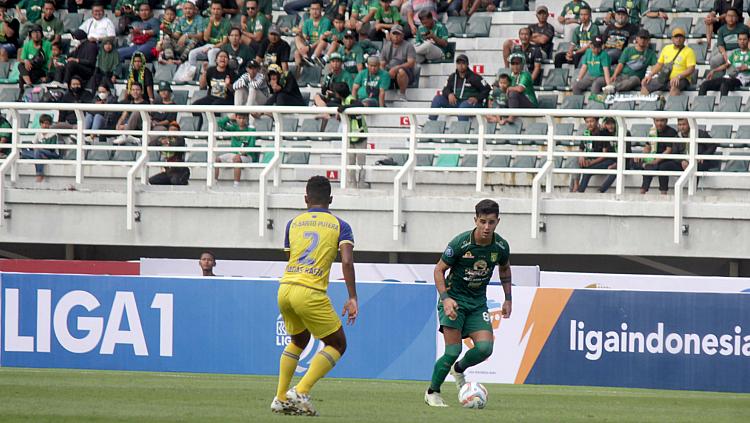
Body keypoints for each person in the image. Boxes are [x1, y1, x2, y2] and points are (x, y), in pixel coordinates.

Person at [272, 175, 358, 416]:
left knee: (299, 341)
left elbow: (291, 258)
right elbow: (347, 262)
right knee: (337, 343)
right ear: (330, 199)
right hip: (309, 291)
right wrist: (352, 296)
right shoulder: (341, 225)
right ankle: (300, 391)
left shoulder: (293, 223)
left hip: (285, 288)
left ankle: (280, 397)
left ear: (306, 198)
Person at [424, 199, 511, 407]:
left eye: (491, 222)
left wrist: (508, 298)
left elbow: (505, 269)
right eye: (482, 222)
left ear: (498, 221)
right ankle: (432, 392)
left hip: (478, 304)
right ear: (475, 220)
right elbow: (438, 270)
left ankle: (459, 369)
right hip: (454, 301)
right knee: (452, 351)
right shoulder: (460, 243)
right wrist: (445, 299)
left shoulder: (500, 246)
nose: (486, 227)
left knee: (484, 348)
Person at [429, 54, 489, 121]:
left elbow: (487, 89)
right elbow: (445, 89)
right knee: (437, 99)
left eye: (463, 63)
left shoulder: (475, 77)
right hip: (456, 103)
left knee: (463, 106)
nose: (460, 65)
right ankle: (430, 123)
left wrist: (477, 98)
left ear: (467, 64)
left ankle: (462, 129)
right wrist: (449, 94)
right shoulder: (452, 77)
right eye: (458, 63)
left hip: (471, 104)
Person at [641, 28, 696, 97]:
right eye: (676, 37)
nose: (678, 39)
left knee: (674, 86)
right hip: (664, 77)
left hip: (681, 79)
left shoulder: (689, 51)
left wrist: (678, 76)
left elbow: (691, 69)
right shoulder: (666, 48)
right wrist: (650, 75)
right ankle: (644, 106)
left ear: (684, 39)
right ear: (672, 39)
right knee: (646, 85)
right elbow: (659, 64)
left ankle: (671, 106)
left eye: (681, 37)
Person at [700, 29, 750, 96]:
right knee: (704, 84)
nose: (742, 41)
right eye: (740, 39)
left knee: (724, 85)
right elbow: (726, 65)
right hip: (729, 77)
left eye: (744, 39)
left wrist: (748, 67)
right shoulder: (735, 53)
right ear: (737, 41)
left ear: (748, 40)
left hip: (741, 80)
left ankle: (722, 105)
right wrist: (714, 71)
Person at [608, 29, 657, 93]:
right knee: (608, 79)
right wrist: (615, 75)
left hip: (636, 78)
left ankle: (613, 88)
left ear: (648, 40)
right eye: (641, 38)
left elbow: (655, 66)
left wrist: (650, 75)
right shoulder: (628, 50)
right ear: (637, 38)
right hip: (623, 75)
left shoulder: (651, 53)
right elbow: (621, 64)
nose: (643, 40)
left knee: (634, 80)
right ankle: (609, 88)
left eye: (645, 39)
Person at [215, 113, 257, 186]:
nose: (241, 120)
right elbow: (220, 123)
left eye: (243, 118)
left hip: (247, 156)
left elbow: (251, 145)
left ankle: (236, 184)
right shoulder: (234, 128)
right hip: (234, 154)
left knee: (237, 159)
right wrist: (228, 117)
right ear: (236, 118)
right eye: (239, 118)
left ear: (247, 119)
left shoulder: (251, 130)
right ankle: (214, 181)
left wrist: (243, 152)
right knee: (217, 159)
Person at [640, 118, 679, 194]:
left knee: (663, 167)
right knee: (645, 165)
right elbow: (648, 147)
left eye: (662, 121)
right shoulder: (653, 131)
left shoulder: (671, 132)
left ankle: (663, 194)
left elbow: (669, 150)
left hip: (668, 159)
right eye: (657, 121)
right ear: (654, 121)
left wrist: (655, 161)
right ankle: (642, 192)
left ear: (666, 121)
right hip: (654, 157)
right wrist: (642, 156)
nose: (659, 123)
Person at [575, 117, 615, 192]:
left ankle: (579, 191)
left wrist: (591, 163)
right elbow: (581, 148)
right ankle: (574, 187)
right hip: (593, 159)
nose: (589, 124)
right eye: (587, 122)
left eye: (592, 121)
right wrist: (581, 156)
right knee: (574, 160)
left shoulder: (603, 133)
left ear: (597, 122)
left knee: (588, 170)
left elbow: (604, 155)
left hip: (607, 160)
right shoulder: (586, 133)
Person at [188, 0, 231, 67]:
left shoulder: (226, 23)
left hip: (220, 48)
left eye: (218, 9)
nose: (215, 11)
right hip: (208, 45)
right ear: (210, 10)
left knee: (211, 53)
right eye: (213, 9)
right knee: (192, 53)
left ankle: (211, 75)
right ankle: (192, 74)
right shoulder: (207, 20)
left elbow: (224, 42)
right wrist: (210, 23)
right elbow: (206, 38)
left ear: (222, 11)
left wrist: (212, 48)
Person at [554, 5, 597, 69]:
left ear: (590, 16)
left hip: (588, 53)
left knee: (577, 56)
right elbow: (573, 44)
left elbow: (589, 46)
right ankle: (557, 77)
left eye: (585, 15)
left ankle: (576, 77)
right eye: (581, 15)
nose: (583, 17)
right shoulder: (577, 29)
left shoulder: (594, 28)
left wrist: (574, 53)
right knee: (558, 57)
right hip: (577, 52)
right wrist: (569, 53)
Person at [380, 24, 416, 102]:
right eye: (394, 34)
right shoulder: (386, 46)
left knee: (401, 71)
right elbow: (382, 63)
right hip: (389, 71)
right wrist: (383, 73)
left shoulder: (408, 46)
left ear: (402, 35)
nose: (396, 36)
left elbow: (411, 63)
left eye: (398, 34)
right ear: (390, 35)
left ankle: (402, 94)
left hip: (406, 72)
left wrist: (396, 68)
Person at [293, 0, 331, 71]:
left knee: (323, 40)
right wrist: (300, 34)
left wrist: (309, 48)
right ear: (310, 10)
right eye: (312, 9)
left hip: (322, 47)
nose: (314, 11)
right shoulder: (307, 22)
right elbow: (305, 37)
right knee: (296, 47)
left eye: (317, 9)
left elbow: (321, 39)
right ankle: (297, 77)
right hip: (310, 46)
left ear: (321, 10)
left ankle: (308, 57)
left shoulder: (326, 21)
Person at [18, 24, 51, 94]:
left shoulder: (47, 44)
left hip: (42, 69)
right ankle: (29, 84)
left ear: (41, 34)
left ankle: (22, 95)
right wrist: (25, 61)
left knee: (21, 76)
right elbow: (21, 59)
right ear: (30, 35)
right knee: (20, 65)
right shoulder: (27, 45)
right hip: (31, 69)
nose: (36, 35)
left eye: (38, 32)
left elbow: (51, 59)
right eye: (33, 33)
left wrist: (47, 75)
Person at [506, 52, 537, 123]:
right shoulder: (510, 75)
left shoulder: (526, 75)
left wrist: (509, 88)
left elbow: (520, 89)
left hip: (530, 103)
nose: (515, 66)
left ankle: (511, 116)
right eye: (513, 64)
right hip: (518, 102)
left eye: (517, 64)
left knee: (513, 93)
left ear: (522, 65)